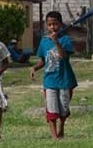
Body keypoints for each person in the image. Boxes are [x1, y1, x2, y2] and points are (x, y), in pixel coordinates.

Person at [30, 11, 78, 140]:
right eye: (50, 25)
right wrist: (34, 68)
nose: (52, 27)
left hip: (64, 80)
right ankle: (53, 135)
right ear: (46, 25)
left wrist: (57, 42)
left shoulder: (66, 39)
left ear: (61, 24)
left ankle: (61, 128)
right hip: (50, 80)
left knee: (63, 108)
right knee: (51, 109)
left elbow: (64, 56)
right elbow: (43, 61)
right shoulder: (44, 41)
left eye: (55, 24)